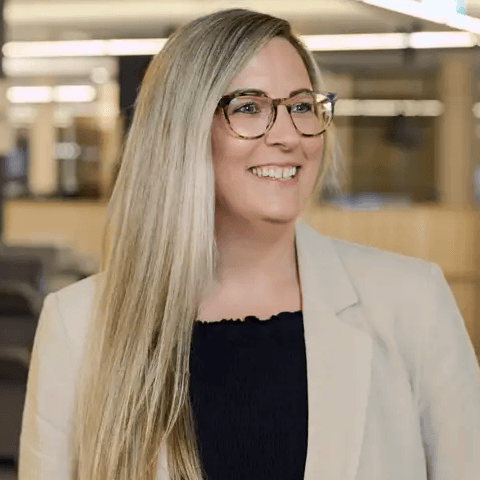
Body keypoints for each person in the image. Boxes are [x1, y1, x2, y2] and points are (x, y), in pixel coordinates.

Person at [18, 8, 480, 480]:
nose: (287, 136)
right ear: (184, 130)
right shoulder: (78, 327)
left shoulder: (412, 303)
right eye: (248, 107)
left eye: (302, 106)